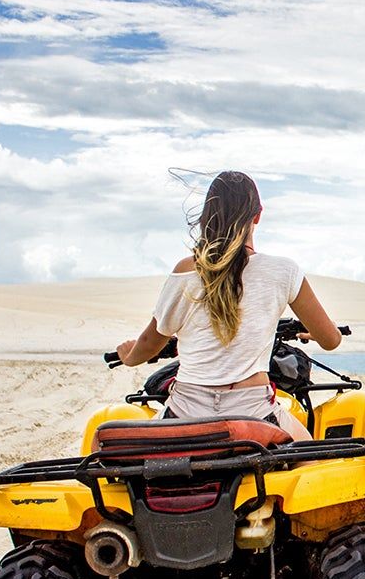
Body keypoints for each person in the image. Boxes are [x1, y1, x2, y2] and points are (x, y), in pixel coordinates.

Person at [115, 170, 341, 439]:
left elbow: (150, 343)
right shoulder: (283, 271)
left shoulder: (186, 271)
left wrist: (129, 357)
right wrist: (315, 331)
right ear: (257, 215)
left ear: (206, 215)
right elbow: (331, 340)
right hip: (254, 413)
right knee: (313, 461)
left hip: (185, 414)